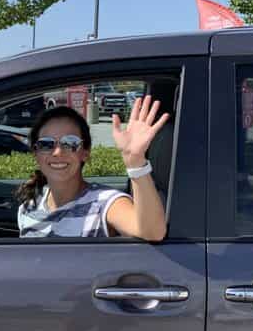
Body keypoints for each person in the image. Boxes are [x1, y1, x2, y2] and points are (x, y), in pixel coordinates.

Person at [16, 96, 169, 240]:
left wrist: (135, 162)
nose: (57, 152)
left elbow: (151, 232)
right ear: (35, 153)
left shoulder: (104, 202)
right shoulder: (28, 208)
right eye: (46, 144)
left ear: (85, 152)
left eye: (70, 143)